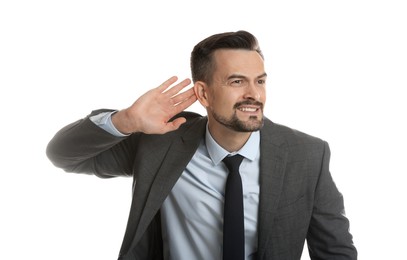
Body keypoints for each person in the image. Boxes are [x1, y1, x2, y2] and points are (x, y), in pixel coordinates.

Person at [46, 30, 357, 260]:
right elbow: (63, 155)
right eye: (237, 81)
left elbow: (335, 252)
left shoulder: (307, 155)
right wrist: (126, 120)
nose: (254, 94)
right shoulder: (161, 143)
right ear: (204, 94)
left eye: (260, 81)